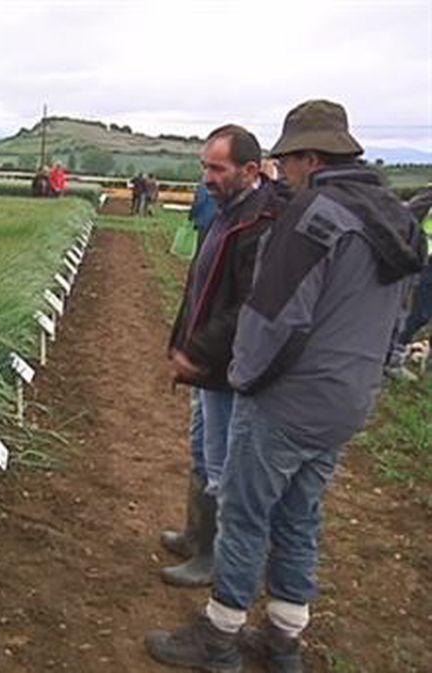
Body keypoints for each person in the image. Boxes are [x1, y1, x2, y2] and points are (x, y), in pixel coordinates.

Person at [146, 100, 426, 673]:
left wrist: (244, 378)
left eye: (290, 161)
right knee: (300, 518)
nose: (288, 172)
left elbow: (274, 315)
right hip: (348, 400)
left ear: (311, 158)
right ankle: (282, 642)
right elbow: (402, 314)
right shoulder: (394, 218)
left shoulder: (313, 214)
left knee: (247, 516)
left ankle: (219, 638)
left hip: (288, 400)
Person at [161, 125, 285, 588]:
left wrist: (198, 349)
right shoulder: (229, 211)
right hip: (209, 364)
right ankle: (197, 535)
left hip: (227, 368)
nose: (207, 177)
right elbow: (204, 285)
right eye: (204, 166)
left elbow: (249, 305)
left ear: (249, 170)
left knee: (222, 464)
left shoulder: (260, 221)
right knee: (202, 450)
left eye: (217, 167)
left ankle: (212, 558)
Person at [385, 187, 432, 381]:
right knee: (416, 313)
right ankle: (392, 358)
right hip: (427, 262)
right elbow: (409, 217)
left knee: (420, 313)